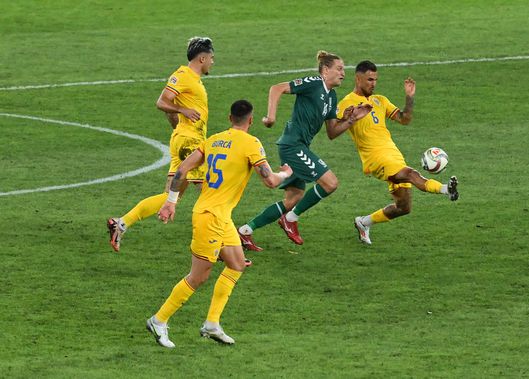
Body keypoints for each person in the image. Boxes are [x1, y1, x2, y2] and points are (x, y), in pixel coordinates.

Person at [146, 100, 292, 348]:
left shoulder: (213, 140)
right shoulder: (251, 143)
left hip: (221, 217)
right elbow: (270, 181)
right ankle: (158, 320)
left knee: (236, 264)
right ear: (251, 120)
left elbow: (182, 169)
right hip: (210, 218)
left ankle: (212, 323)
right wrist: (286, 174)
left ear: (229, 117)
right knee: (198, 277)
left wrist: (171, 201)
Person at [237, 50, 372, 251]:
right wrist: (271, 116)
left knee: (293, 199)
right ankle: (290, 220)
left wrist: (351, 120)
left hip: (299, 147)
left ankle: (245, 231)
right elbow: (277, 88)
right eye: (339, 68)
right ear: (325, 70)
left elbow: (332, 132)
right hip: (293, 145)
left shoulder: (332, 97)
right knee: (330, 183)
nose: (343, 73)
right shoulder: (314, 82)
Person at [107, 36, 214, 252]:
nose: (213, 62)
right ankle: (221, 242)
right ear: (202, 58)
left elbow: (170, 106)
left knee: (170, 197)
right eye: (211, 58)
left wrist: (176, 123)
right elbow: (162, 102)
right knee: (212, 191)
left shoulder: (192, 79)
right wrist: (182, 113)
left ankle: (122, 223)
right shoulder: (183, 75)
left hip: (183, 139)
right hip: (190, 142)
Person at [334, 60, 459, 245]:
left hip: (393, 154)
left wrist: (409, 97)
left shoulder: (380, 100)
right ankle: (445, 189)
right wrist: (348, 118)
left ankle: (363, 222)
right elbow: (333, 129)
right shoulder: (346, 103)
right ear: (358, 78)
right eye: (369, 79)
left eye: (375, 79)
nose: (373, 83)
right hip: (374, 159)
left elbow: (404, 119)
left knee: (404, 207)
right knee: (410, 174)